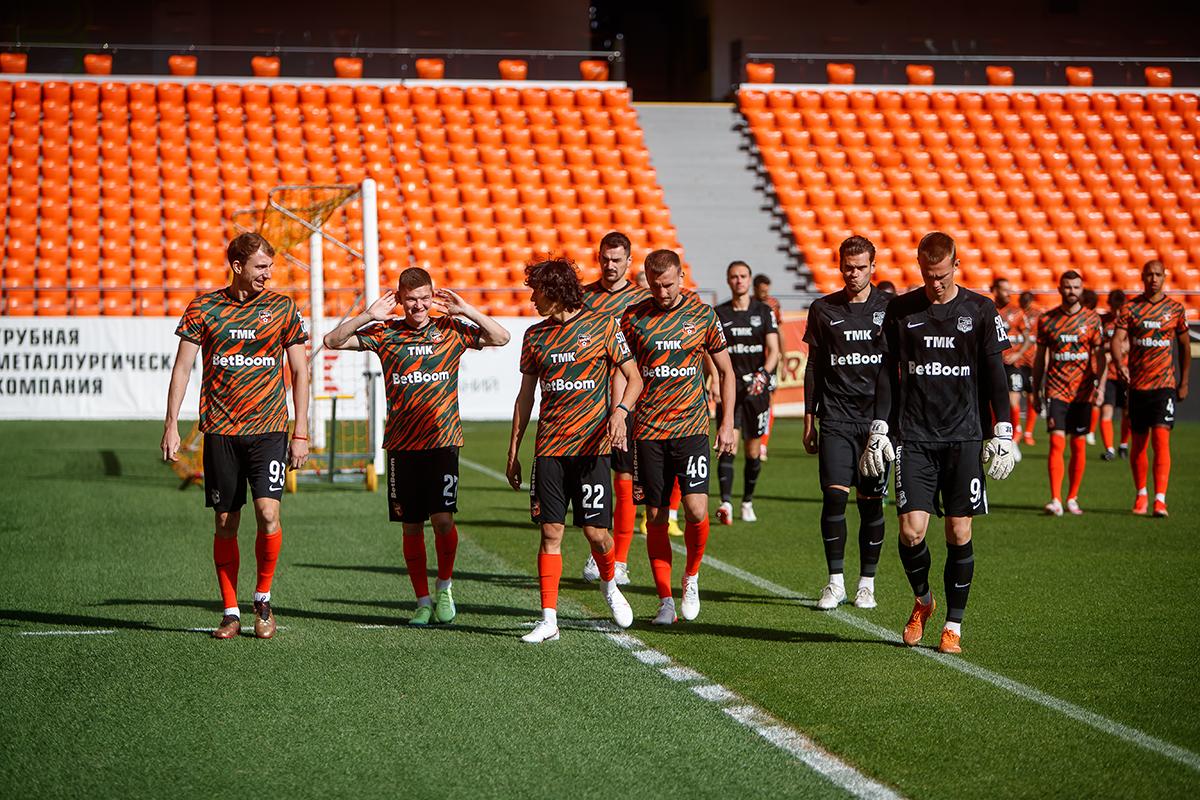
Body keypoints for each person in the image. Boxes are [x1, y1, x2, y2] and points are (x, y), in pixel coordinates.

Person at [323, 267, 510, 624]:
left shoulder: (450, 330)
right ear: (400, 299)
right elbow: (331, 342)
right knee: (411, 526)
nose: (419, 306)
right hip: (402, 446)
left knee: (442, 520)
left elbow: (501, 338)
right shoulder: (385, 333)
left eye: (425, 298)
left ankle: (444, 587)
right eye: (411, 300)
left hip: (442, 441)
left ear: (433, 296)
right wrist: (367, 315)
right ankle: (422, 601)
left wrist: (466, 310)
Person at [860, 232, 1016, 654]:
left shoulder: (980, 310)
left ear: (956, 266)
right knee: (911, 533)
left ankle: (953, 627)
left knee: (958, 531)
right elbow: (885, 374)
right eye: (929, 277)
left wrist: (1002, 430)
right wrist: (879, 427)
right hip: (914, 437)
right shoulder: (900, 310)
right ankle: (923, 601)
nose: (937, 284)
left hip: (964, 438)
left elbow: (995, 376)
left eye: (943, 276)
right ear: (919, 269)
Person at [162, 232, 310, 640]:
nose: (268, 274)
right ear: (238, 266)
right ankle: (230, 611)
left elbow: (300, 371)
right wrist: (171, 423)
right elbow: (182, 369)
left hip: (269, 430)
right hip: (221, 432)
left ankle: (262, 598)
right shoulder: (204, 307)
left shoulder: (282, 308)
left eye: (270, 267)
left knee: (268, 514)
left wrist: (301, 429)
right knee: (226, 521)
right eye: (261, 267)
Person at [506, 258, 640, 642]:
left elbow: (634, 378)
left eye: (536, 291)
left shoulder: (602, 326)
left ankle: (610, 585)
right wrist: (513, 449)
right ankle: (549, 619)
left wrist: (620, 412)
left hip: (591, 449)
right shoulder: (534, 337)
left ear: (555, 291)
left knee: (597, 534)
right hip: (549, 449)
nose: (531, 298)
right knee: (550, 532)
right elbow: (525, 397)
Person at [622, 249, 737, 624]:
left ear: (681, 278)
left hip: (691, 428)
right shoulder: (634, 318)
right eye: (655, 286)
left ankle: (691, 577)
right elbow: (621, 371)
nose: (663, 292)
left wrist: (726, 422)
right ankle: (664, 600)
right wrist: (618, 415)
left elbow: (726, 371)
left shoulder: (702, 315)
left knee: (696, 509)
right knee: (654, 516)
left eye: (669, 284)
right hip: (649, 431)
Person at [802, 236, 890, 610]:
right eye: (847, 267)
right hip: (836, 418)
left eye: (860, 267)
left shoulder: (890, 309)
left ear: (873, 267)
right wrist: (810, 419)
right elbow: (813, 367)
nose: (853, 273)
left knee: (871, 504)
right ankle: (834, 582)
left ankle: (866, 583)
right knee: (834, 497)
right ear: (839, 266)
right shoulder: (823, 309)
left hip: (875, 425)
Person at [579, 232, 651, 585]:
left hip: (628, 404)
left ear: (629, 260)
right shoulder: (585, 297)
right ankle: (597, 553)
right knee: (592, 483)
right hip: (588, 405)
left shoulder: (641, 300)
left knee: (624, 480)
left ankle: (619, 559)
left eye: (617, 259)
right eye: (605, 259)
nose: (610, 265)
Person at [1111, 260, 1191, 517]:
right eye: (1149, 275)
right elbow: (1117, 339)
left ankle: (1160, 499)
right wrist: (1118, 364)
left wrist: (1184, 380)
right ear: (1142, 277)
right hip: (1138, 386)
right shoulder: (1130, 309)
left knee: (1161, 439)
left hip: (1163, 385)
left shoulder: (1175, 309)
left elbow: (1185, 347)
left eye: (1158, 274)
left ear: (1165, 277)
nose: (1153, 279)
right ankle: (1141, 494)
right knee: (1139, 444)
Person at [1031, 272, 1105, 516]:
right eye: (1067, 287)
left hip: (1083, 392)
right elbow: (1040, 358)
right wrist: (1036, 389)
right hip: (1057, 389)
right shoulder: (1048, 320)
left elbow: (1100, 357)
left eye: (1076, 287)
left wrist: (1100, 386)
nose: (1071, 291)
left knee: (1079, 445)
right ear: (1060, 289)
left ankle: (1072, 497)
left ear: (1082, 289)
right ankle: (1055, 499)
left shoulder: (1093, 320)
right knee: (1056, 442)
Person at [713, 261, 780, 524]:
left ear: (749, 279)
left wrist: (764, 374)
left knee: (753, 452)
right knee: (727, 445)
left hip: (757, 389)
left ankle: (747, 501)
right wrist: (714, 379)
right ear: (728, 281)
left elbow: (773, 350)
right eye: (734, 277)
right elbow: (711, 352)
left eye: (743, 276)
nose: (739, 280)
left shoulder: (763, 311)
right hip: (732, 388)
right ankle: (726, 502)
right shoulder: (719, 313)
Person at [991, 278, 1032, 459]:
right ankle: (995, 439)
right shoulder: (988, 310)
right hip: (994, 364)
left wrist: (1018, 354)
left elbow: (1028, 337)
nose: (1009, 293)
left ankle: (1014, 440)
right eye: (1004, 290)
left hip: (1013, 365)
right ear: (995, 290)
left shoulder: (1017, 312)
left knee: (1013, 402)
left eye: (1010, 289)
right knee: (992, 402)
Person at [753, 273, 783, 461]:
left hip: (769, 363)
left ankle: (763, 443)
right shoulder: (749, 306)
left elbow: (780, 332)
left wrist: (784, 357)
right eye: (762, 290)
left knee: (768, 402)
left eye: (767, 290)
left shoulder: (773, 304)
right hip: (752, 362)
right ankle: (752, 441)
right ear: (755, 288)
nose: (765, 294)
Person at [1097, 289, 1130, 461]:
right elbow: (1099, 347)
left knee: (1127, 412)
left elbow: (1131, 345)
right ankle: (1109, 449)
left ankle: (1123, 444)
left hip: (1126, 373)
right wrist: (1115, 347)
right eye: (1114, 307)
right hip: (1108, 374)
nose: (1117, 311)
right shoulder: (1103, 322)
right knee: (1107, 411)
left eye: (1120, 307)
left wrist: (1120, 347)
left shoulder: (1129, 321)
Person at [1018, 291, 1041, 445]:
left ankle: (1028, 432)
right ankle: (1017, 430)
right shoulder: (1015, 313)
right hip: (1017, 361)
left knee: (1032, 396)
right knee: (1014, 396)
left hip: (1031, 361)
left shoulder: (1038, 315)